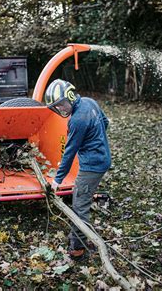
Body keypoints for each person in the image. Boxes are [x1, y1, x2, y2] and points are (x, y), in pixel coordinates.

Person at [45, 79, 111, 259]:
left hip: (92, 166)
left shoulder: (77, 120)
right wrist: (94, 138)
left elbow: (69, 152)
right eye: (58, 107)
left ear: (71, 96)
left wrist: (57, 180)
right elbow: (105, 123)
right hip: (103, 159)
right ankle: (83, 238)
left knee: (79, 206)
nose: (62, 109)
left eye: (63, 104)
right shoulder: (90, 102)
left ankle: (77, 249)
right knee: (83, 197)